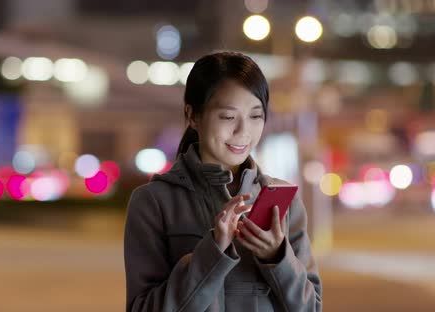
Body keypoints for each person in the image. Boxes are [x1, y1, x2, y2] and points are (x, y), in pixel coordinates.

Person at [124, 52, 322, 312]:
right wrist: (213, 252)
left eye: (255, 116)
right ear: (193, 115)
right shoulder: (153, 202)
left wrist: (277, 257)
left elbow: (311, 308)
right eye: (228, 117)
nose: (243, 132)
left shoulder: (281, 201)